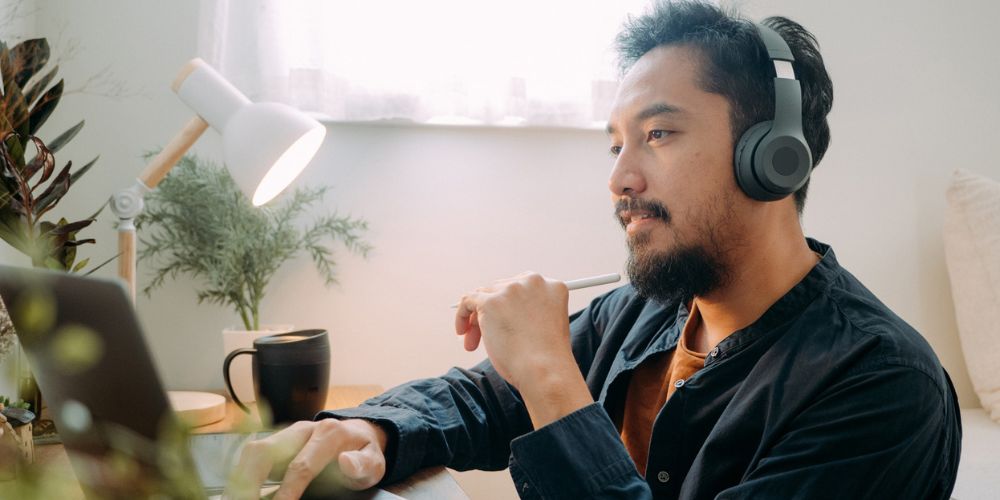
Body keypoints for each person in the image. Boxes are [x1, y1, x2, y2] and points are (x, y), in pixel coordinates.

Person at [226, 1, 961, 498]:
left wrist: (550, 375)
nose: (619, 179)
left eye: (658, 134)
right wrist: (372, 429)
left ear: (773, 158)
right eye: (616, 145)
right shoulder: (643, 311)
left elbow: (537, 387)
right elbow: (480, 399)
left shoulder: (882, 386)